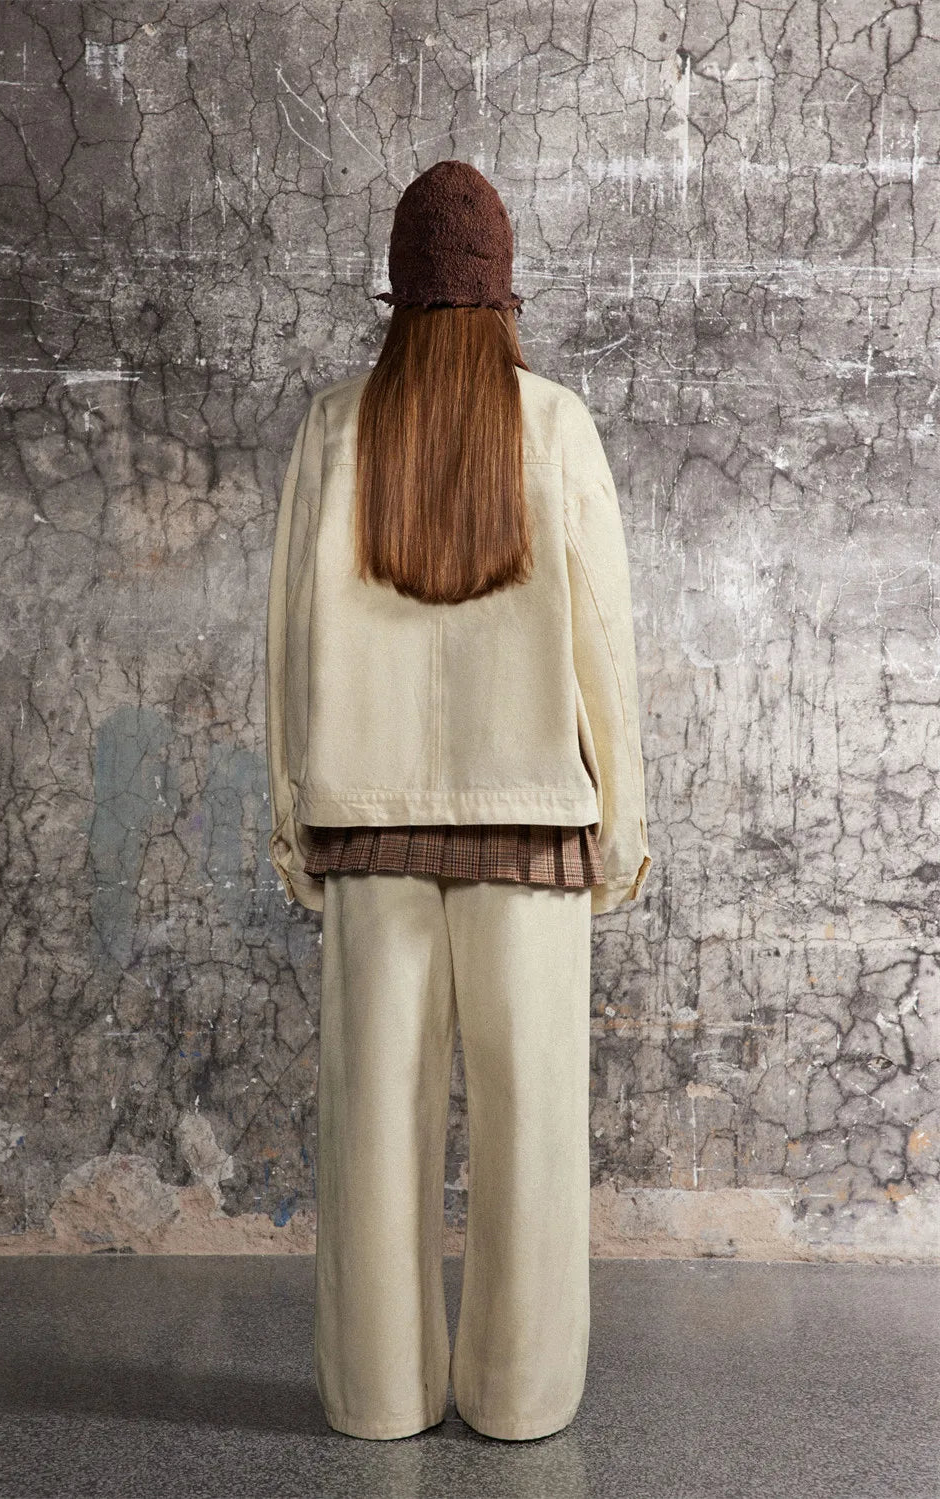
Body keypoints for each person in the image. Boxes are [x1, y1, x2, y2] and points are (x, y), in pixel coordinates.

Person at [265, 159, 651, 1443]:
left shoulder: (335, 425)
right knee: (532, 1126)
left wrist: (292, 813)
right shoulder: (555, 424)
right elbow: (604, 644)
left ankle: (376, 1395)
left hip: (368, 820)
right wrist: (621, 825)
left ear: (397, 289)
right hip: (532, 823)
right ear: (503, 293)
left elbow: (288, 641)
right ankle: (519, 1395)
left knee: (371, 1123)